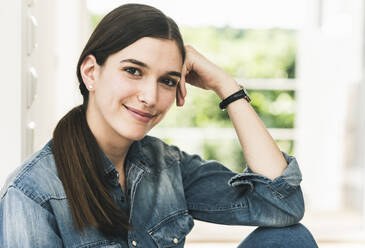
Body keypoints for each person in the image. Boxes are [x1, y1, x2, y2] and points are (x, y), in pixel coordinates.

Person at [0, 3, 318, 248]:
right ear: (90, 72)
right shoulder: (32, 193)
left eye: (167, 81)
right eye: (134, 71)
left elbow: (282, 206)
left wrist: (227, 88)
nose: (150, 97)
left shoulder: (166, 166)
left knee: (291, 238)